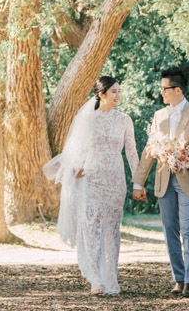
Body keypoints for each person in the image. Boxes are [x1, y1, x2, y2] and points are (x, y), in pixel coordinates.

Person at [43, 76, 139, 295]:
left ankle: (111, 279)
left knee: (112, 230)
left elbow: (132, 153)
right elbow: (76, 151)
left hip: (116, 179)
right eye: (113, 91)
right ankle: (96, 280)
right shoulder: (88, 119)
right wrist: (74, 169)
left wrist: (138, 183)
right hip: (92, 179)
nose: (118, 95)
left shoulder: (125, 120)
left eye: (119, 91)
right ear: (101, 94)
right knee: (91, 228)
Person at [132, 67, 189, 297]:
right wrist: (139, 183)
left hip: (188, 179)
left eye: (164, 89)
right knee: (170, 230)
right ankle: (178, 279)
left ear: (178, 90)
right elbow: (150, 150)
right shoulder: (159, 115)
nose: (161, 93)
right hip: (164, 181)